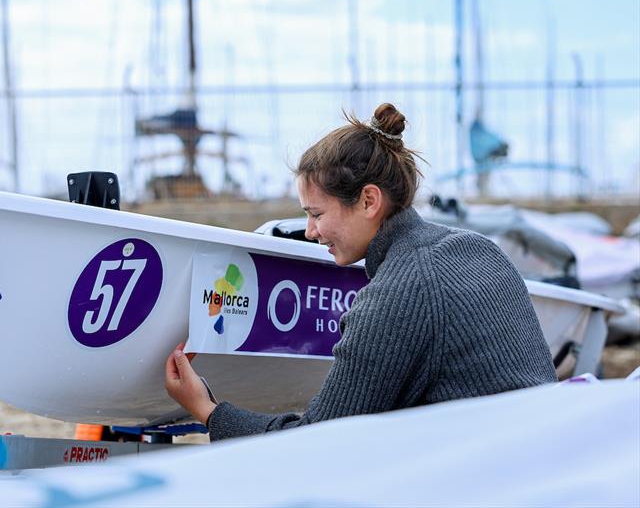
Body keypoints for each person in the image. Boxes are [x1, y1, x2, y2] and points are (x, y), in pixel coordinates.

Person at [165, 103, 557, 441]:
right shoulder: (480, 250)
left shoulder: (399, 292)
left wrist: (207, 410)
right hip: (545, 461)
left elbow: (320, 444)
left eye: (316, 214)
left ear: (369, 200)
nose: (310, 232)